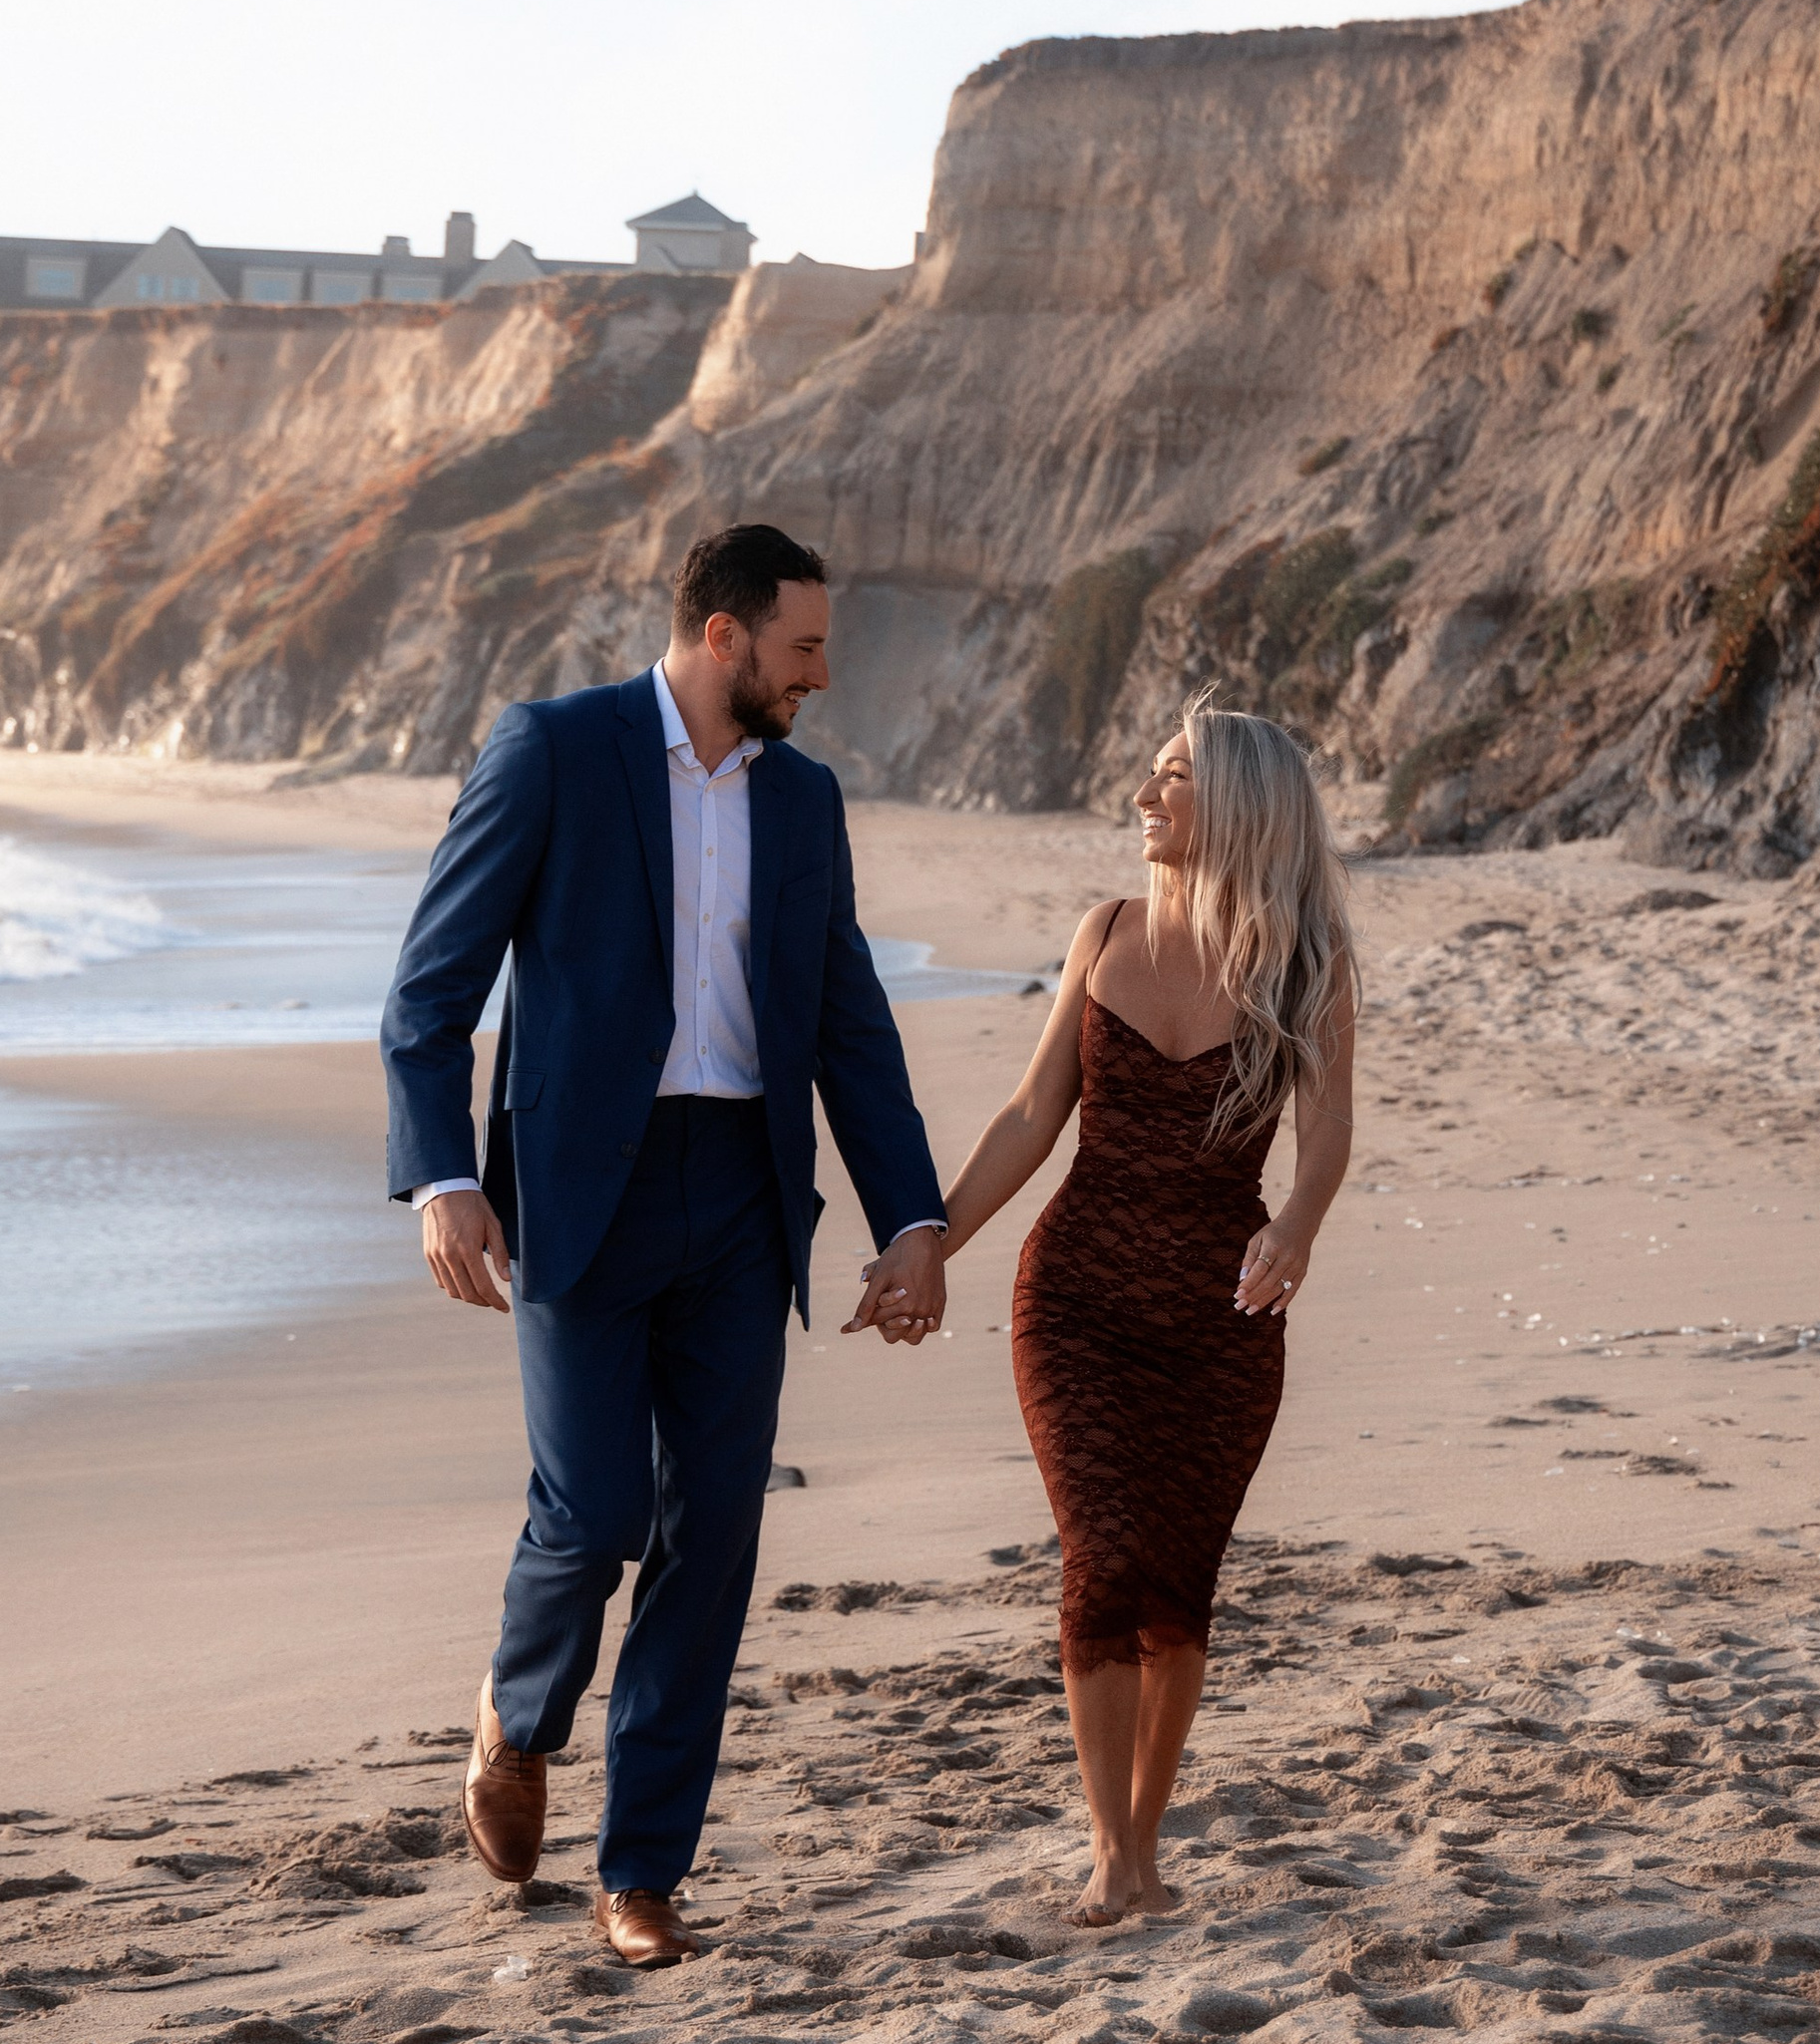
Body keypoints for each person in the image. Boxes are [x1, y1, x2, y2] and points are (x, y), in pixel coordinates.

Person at [380, 521, 947, 1969]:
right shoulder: (554, 752)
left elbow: (846, 1025)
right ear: (724, 638)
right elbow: (431, 987)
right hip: (582, 1194)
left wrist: (912, 1219)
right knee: (595, 1517)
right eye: (805, 647)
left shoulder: (806, 805)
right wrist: (445, 1175)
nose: (823, 675)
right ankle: (517, 1717)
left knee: (714, 1534)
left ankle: (641, 1874)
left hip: (744, 1199)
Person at [934, 701, 1355, 1924]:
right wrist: (930, 1244)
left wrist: (1295, 1227)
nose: (1143, 796)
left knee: (1177, 1588)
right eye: (1151, 774)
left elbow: (1326, 1131)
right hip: (1075, 1297)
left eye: (1171, 780)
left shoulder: (1303, 957)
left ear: (1234, 805)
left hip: (1219, 1312)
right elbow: (1028, 1115)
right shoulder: (1104, 933)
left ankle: (1143, 1841)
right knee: (1100, 1559)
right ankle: (1111, 1855)